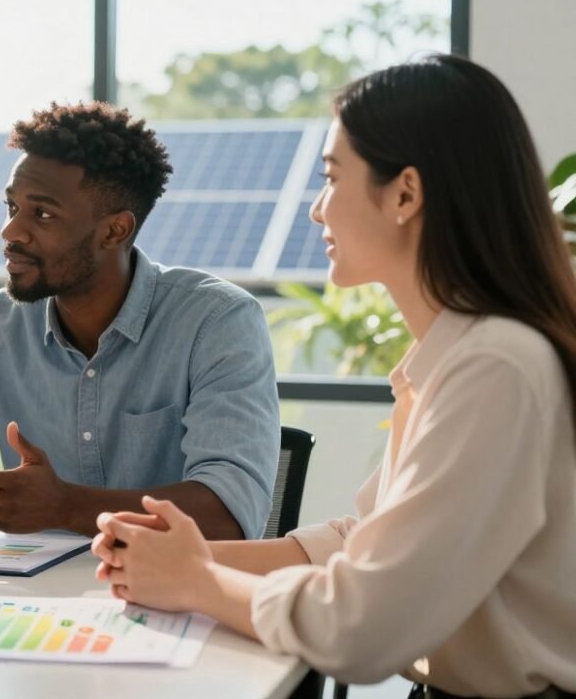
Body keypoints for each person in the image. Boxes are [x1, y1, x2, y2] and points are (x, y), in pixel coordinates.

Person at [93, 55, 576, 698]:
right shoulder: (461, 356)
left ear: (405, 193)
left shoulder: (496, 367)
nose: (318, 211)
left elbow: (361, 628)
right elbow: (363, 541)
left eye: (332, 178)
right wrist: (184, 559)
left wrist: (197, 582)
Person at [0, 101, 280, 539]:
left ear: (114, 231)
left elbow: (229, 517)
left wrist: (65, 507)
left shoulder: (217, 322)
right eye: (11, 207)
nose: (10, 232)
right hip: (33, 603)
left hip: (172, 598)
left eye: (42, 214)